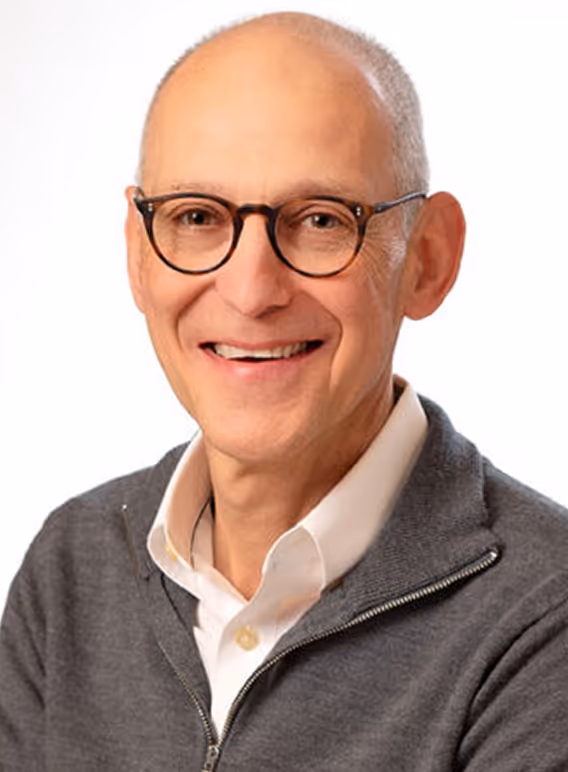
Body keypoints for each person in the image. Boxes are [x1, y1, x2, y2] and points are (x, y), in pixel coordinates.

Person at [1, 11, 567, 771]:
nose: (251, 290)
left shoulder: (544, 616)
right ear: (139, 258)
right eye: (197, 217)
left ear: (427, 260)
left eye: (321, 220)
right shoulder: (70, 568)